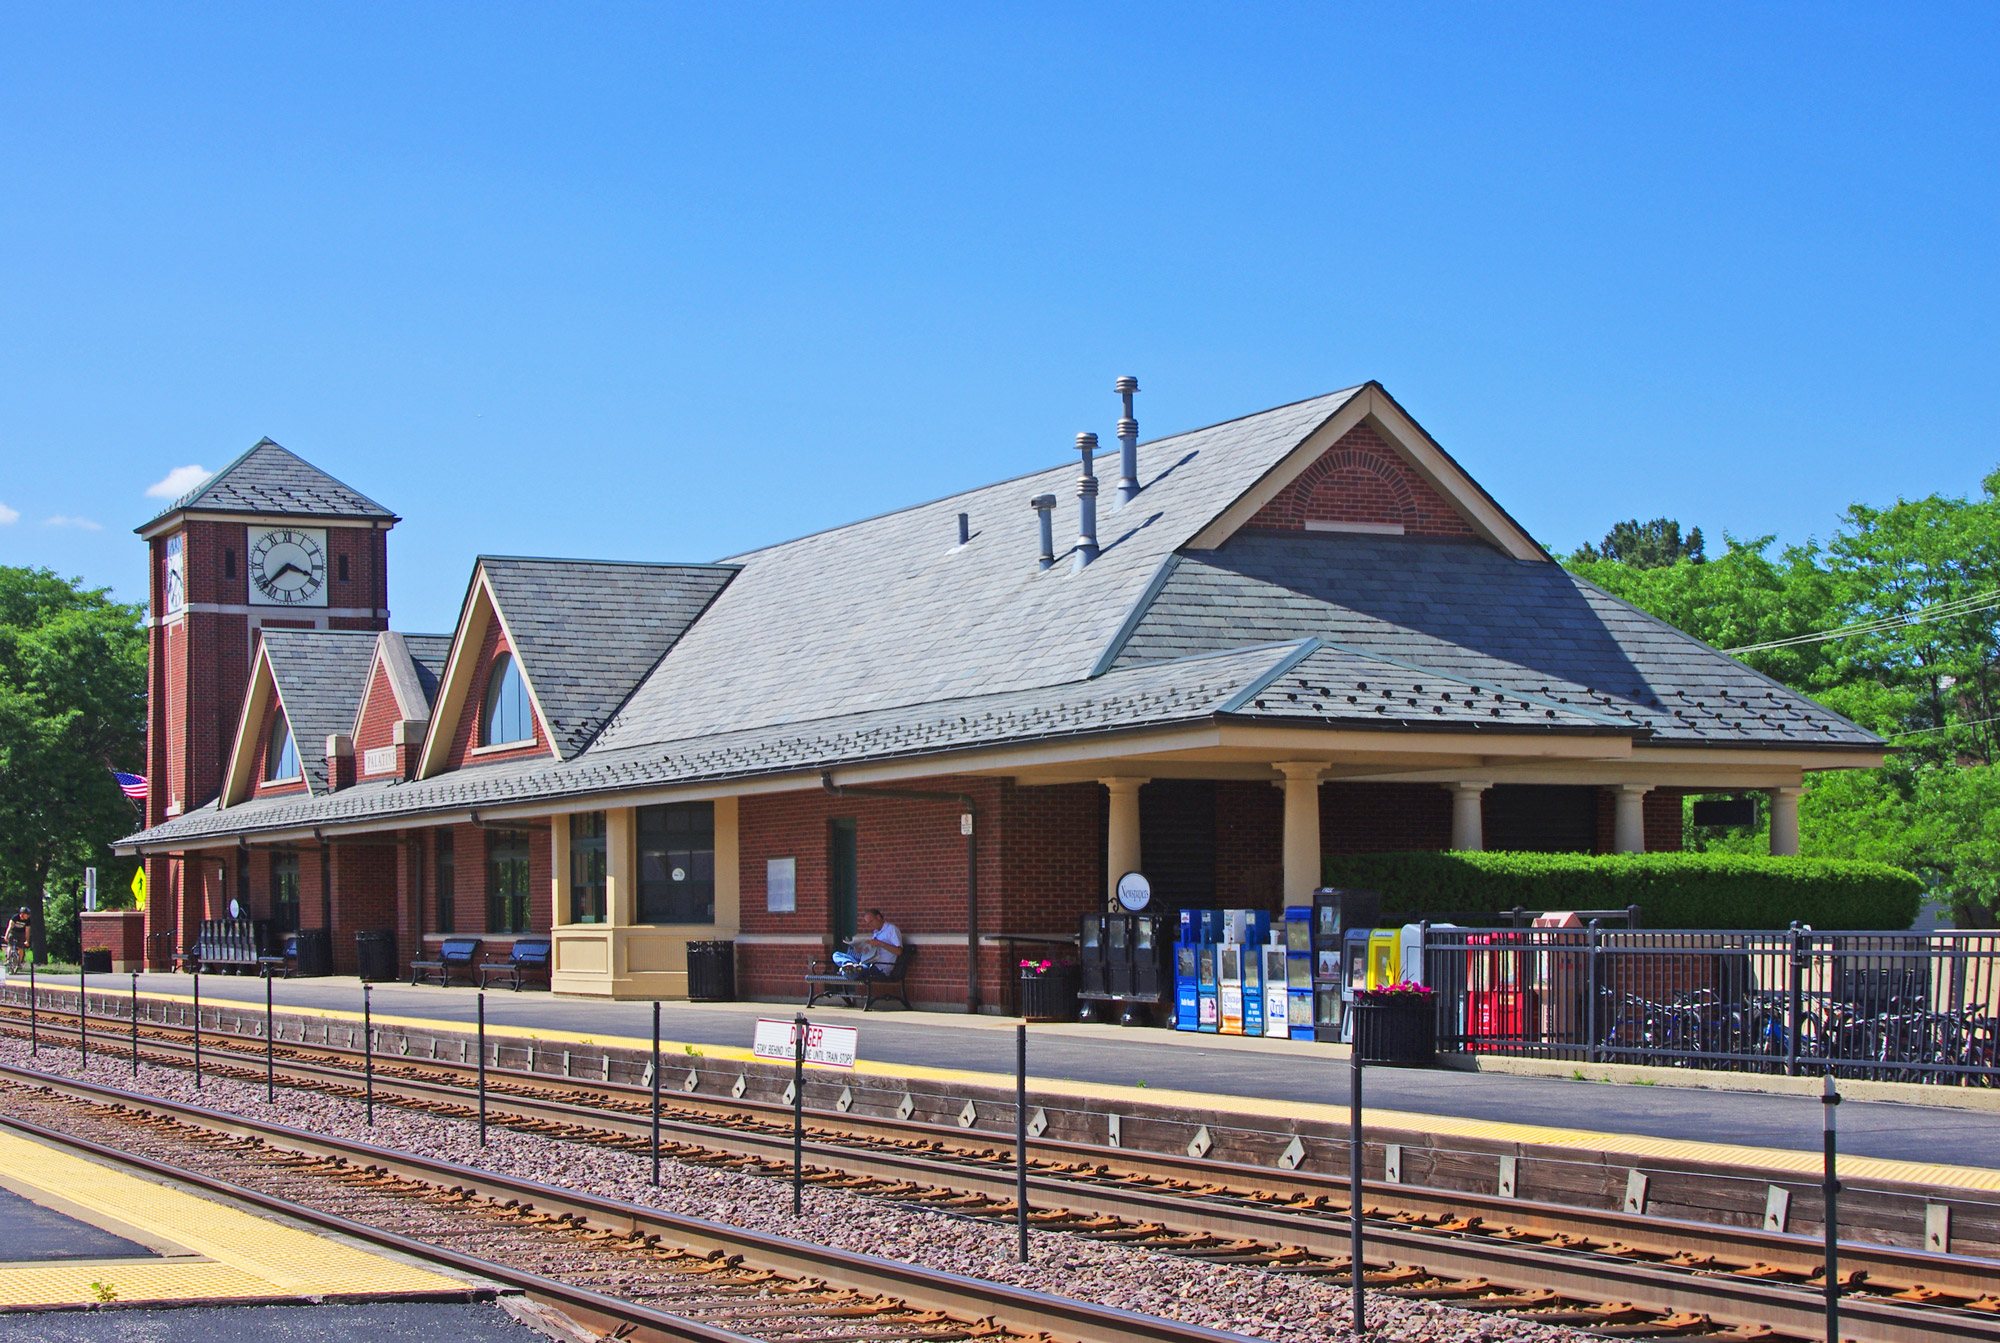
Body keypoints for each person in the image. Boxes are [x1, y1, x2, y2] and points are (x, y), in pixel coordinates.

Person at [832, 909, 902, 978]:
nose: (870, 925)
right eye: (868, 923)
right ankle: (849, 965)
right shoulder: (876, 932)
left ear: (878, 917)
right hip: (868, 963)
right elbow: (873, 951)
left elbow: (899, 951)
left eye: (871, 921)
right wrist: (861, 950)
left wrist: (880, 943)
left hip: (879, 968)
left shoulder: (891, 929)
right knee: (836, 955)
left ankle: (848, 970)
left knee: (848, 973)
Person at [2, 908, 30, 975]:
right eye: (27, 914)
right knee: (10, 945)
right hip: (13, 932)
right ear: (22, 914)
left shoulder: (28, 921)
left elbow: (27, 932)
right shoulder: (15, 917)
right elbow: (10, 927)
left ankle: (19, 963)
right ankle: (8, 959)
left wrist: (27, 941)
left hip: (21, 934)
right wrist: (6, 936)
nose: (28, 916)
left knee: (21, 948)